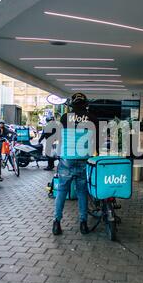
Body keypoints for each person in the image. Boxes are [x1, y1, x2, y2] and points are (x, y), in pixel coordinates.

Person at [53, 93, 98, 236]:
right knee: (81, 192)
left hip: (66, 159)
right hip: (84, 159)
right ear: (86, 104)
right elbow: (96, 142)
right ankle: (83, 224)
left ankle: (56, 223)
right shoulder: (92, 118)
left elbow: (60, 138)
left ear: (72, 105)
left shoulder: (65, 117)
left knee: (61, 191)